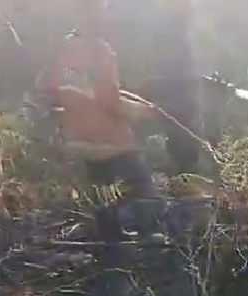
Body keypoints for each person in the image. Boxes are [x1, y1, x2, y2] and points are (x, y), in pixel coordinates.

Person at [37, 27, 166, 243]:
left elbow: (48, 88)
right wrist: (148, 112)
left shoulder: (64, 50)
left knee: (102, 191)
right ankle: (148, 236)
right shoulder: (99, 51)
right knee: (141, 186)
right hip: (111, 142)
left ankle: (109, 238)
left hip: (79, 140)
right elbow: (111, 101)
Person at [146, 0, 202, 176]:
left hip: (176, 87)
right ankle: (184, 171)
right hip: (175, 88)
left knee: (182, 130)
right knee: (180, 130)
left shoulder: (173, 35)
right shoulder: (169, 33)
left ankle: (185, 171)